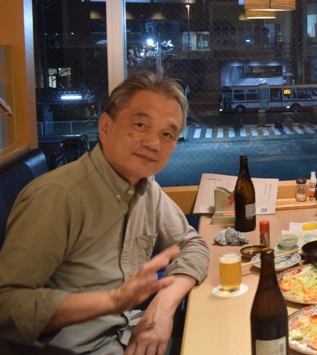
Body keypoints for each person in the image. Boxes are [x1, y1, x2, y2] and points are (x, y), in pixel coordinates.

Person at [0, 72, 210, 355]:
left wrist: (163, 305)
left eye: (167, 134)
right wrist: (112, 300)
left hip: (124, 334)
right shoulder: (58, 196)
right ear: (105, 126)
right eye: (140, 125)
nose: (153, 143)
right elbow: (7, 305)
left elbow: (193, 245)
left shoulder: (146, 188)